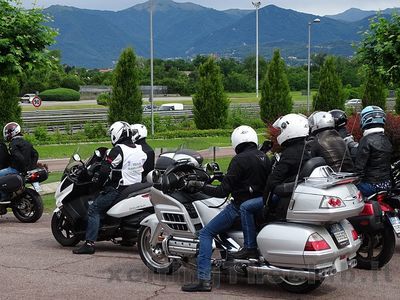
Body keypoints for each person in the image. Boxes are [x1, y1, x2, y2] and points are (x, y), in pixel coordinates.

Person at [181, 125, 270, 292]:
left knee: (206, 233)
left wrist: (200, 186)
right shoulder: (263, 157)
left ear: (236, 141)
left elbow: (222, 192)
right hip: (259, 206)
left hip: (238, 208)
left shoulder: (239, 160)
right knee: (221, 230)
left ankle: (203, 279)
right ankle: (229, 267)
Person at [73, 121, 147, 255]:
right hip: (135, 187)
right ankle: (127, 238)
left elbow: (104, 171)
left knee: (93, 209)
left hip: (118, 189)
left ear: (116, 134)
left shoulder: (117, 150)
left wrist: (98, 185)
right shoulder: (139, 148)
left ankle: (89, 243)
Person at [263, 114, 311, 219]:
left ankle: (250, 236)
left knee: (246, 207)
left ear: (289, 130)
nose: (279, 133)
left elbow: (272, 181)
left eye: (281, 130)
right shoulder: (307, 148)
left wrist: (265, 203)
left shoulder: (290, 153)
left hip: (288, 196)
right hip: (298, 191)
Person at [355, 106, 392, 197]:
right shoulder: (386, 139)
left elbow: (359, 169)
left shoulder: (366, 140)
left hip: (371, 186)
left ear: (365, 119)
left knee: (346, 189)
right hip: (387, 184)